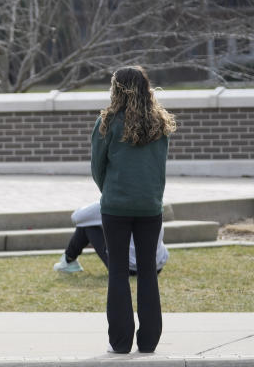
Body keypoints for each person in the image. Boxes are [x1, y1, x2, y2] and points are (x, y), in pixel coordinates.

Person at [91, 66, 175, 354]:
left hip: (116, 206)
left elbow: (97, 168)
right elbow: (159, 169)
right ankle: (149, 342)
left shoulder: (107, 121)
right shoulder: (160, 122)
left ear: (117, 89)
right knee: (148, 271)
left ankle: (121, 342)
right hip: (150, 205)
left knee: (118, 272)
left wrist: (113, 192)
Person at [53, 201, 169, 275]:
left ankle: (69, 260)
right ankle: (69, 260)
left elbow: (77, 218)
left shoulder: (111, 201)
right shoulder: (153, 198)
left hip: (128, 268)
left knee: (87, 226)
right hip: (156, 266)